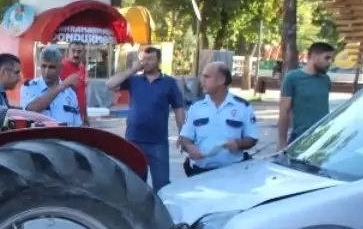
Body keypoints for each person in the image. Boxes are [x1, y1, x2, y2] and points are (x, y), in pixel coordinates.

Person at [106, 45, 187, 192]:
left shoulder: (169, 83)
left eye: (150, 59)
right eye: (143, 59)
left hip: (158, 142)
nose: (146, 62)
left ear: (159, 61)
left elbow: (178, 107)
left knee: (162, 186)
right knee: (134, 185)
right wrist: (132, 69)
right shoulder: (134, 80)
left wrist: (183, 133)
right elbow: (110, 84)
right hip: (134, 140)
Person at [178, 62, 260, 177]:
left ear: (221, 80)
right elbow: (185, 137)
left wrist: (238, 144)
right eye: (202, 76)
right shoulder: (196, 107)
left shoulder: (242, 107)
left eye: (207, 77)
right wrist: (190, 147)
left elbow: (252, 138)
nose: (202, 81)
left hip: (233, 173)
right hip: (200, 172)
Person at [277, 41, 335, 149]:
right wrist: (282, 144)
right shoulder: (292, 78)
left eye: (331, 59)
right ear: (313, 56)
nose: (330, 62)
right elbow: (284, 113)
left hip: (323, 138)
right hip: (301, 138)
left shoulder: (325, 79)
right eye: (326, 58)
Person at [21, 45, 83, 126]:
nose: (46, 71)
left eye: (51, 67)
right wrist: (62, 86)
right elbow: (32, 109)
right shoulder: (30, 87)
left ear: (61, 68)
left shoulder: (70, 93)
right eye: (43, 66)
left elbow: (77, 125)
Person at [61, 42, 90, 125]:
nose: (76, 54)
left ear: (83, 53)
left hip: (79, 116)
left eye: (79, 51)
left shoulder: (81, 67)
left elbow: (83, 93)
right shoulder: (61, 67)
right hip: (67, 116)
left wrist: (85, 115)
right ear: (68, 52)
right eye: (73, 51)